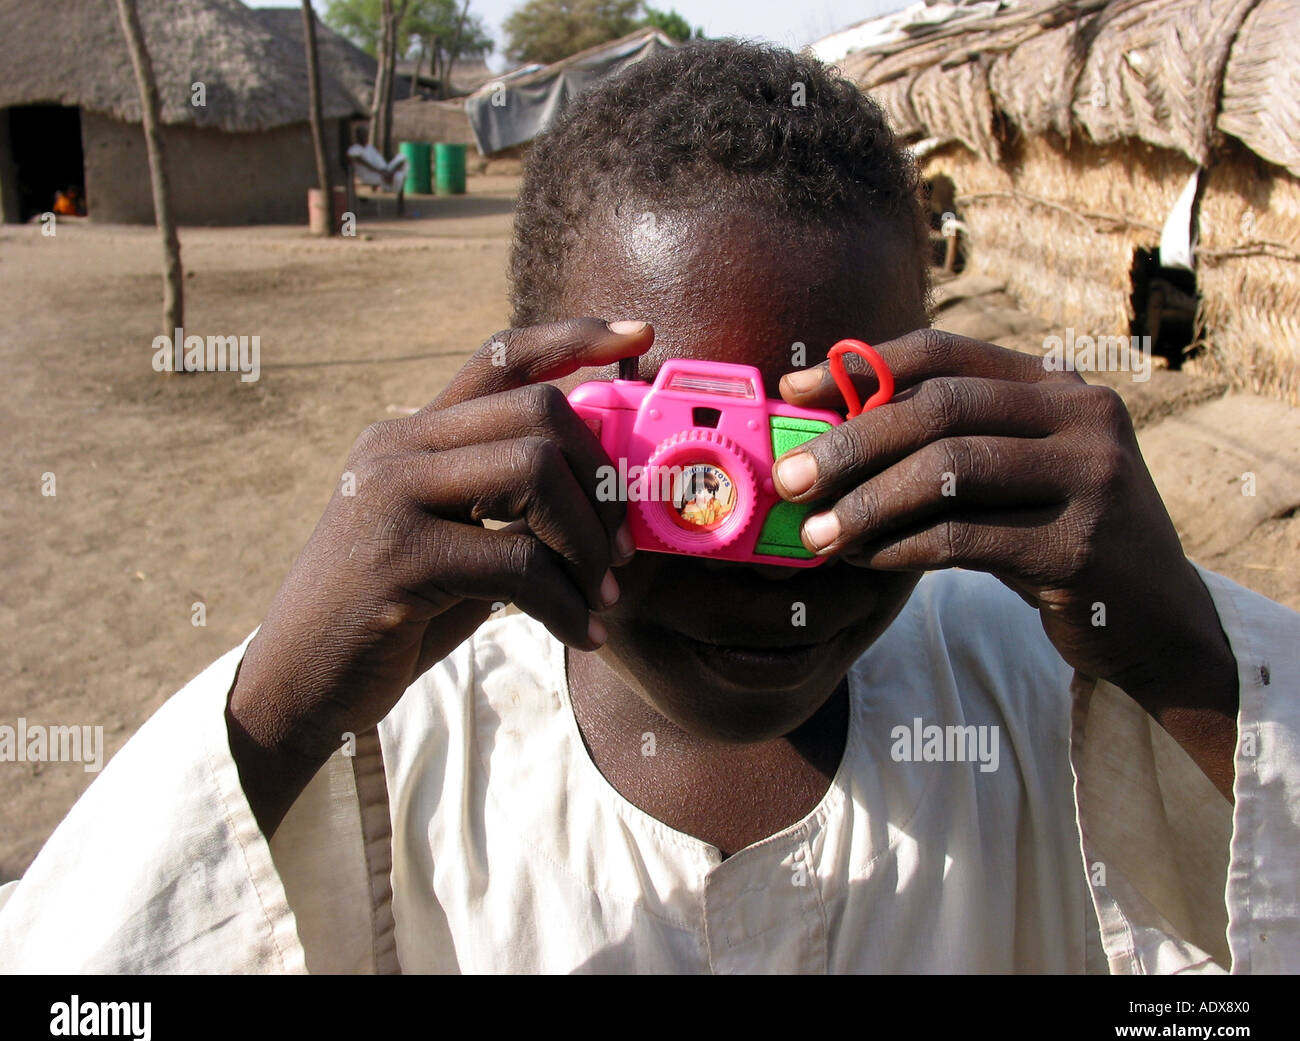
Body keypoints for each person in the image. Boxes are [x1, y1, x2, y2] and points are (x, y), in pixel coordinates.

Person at [1, 39, 1297, 975]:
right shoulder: (397, 752)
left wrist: (1189, 663)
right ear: (526, 416)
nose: (771, 573)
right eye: (682, 471)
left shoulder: (1062, 695)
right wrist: (274, 715)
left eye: (834, 459)